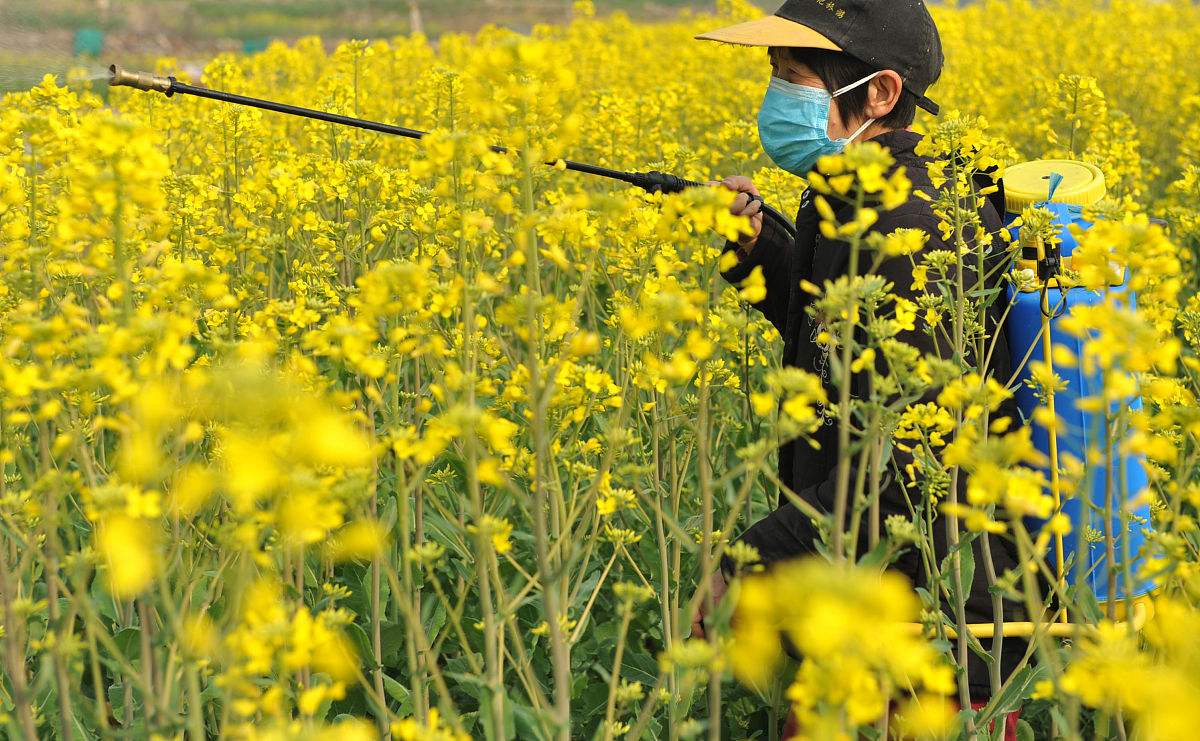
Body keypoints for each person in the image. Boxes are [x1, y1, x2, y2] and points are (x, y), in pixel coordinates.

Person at [689, 0, 1028, 728]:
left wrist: (752, 559)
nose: (777, 97)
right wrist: (756, 254)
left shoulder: (918, 225)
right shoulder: (849, 199)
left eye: (795, 76)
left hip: (936, 627)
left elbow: (914, 454)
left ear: (878, 94)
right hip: (865, 600)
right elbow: (836, 347)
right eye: (774, 74)